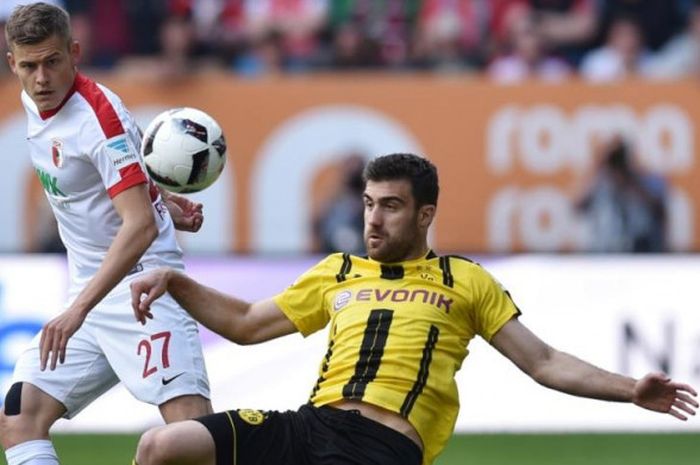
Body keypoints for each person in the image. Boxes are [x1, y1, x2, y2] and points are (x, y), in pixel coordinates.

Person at [129, 153, 697, 465]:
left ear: (425, 215)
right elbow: (246, 325)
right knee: (162, 447)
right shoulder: (339, 272)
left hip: (382, 448)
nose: (373, 220)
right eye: (369, 204)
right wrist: (175, 281)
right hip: (308, 428)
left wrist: (630, 389)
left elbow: (544, 362)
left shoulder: (464, 280)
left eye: (392, 207)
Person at [0, 3, 213, 465]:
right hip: (91, 289)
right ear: (12, 61)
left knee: (192, 434)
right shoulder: (34, 97)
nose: (41, 79)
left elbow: (136, 226)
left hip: (143, 286)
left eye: (53, 62)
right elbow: (123, 188)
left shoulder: (98, 120)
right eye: (30, 65)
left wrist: (76, 309)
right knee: (19, 417)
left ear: (74, 53)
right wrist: (167, 205)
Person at [575, 137, 668, 253]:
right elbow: (577, 207)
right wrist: (598, 169)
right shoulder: (600, 184)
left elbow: (659, 210)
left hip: (640, 255)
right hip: (603, 254)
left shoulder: (647, 181)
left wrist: (631, 179)